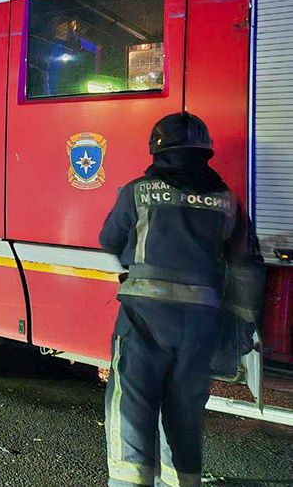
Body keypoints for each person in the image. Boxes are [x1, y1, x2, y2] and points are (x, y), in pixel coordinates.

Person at [98, 112, 264, 487]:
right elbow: (247, 267)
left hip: (144, 320)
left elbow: (109, 239)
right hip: (200, 326)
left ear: (158, 149)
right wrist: (242, 328)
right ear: (205, 151)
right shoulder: (228, 201)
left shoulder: (137, 192)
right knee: (185, 415)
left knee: (132, 409)